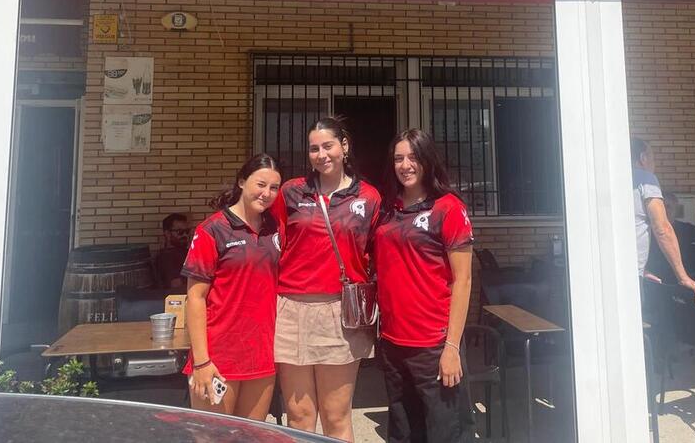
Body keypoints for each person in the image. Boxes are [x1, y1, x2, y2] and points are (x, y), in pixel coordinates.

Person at [271, 116, 381, 442]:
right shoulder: (291, 193)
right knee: (300, 417)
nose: (322, 154)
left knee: (336, 417)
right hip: (291, 311)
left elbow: (380, 254)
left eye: (328, 145)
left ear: (344, 146)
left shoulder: (369, 198)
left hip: (340, 313)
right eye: (314, 148)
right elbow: (270, 243)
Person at [373, 129, 476, 443]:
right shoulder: (387, 208)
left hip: (433, 345)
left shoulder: (448, 208)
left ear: (428, 160)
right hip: (392, 343)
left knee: (445, 433)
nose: (405, 164)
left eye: (413, 157)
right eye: (399, 158)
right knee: (404, 433)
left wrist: (452, 348)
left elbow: (463, 281)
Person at [183, 154, 282, 420]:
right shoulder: (212, 230)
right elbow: (194, 298)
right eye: (260, 184)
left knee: (252, 436)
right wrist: (202, 361)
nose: (267, 193)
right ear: (241, 181)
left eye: (274, 188)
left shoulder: (275, 228)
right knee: (214, 437)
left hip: (262, 354)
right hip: (219, 356)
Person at [631, 137, 695, 306]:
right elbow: (663, 228)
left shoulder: (613, 180)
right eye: (653, 157)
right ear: (643, 158)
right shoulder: (646, 179)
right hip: (630, 277)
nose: (654, 163)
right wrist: (683, 277)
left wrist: (643, 270)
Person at [154, 213, 191, 290]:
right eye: (180, 232)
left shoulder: (186, 252)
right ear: (167, 233)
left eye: (187, 231)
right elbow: (176, 286)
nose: (185, 235)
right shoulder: (166, 257)